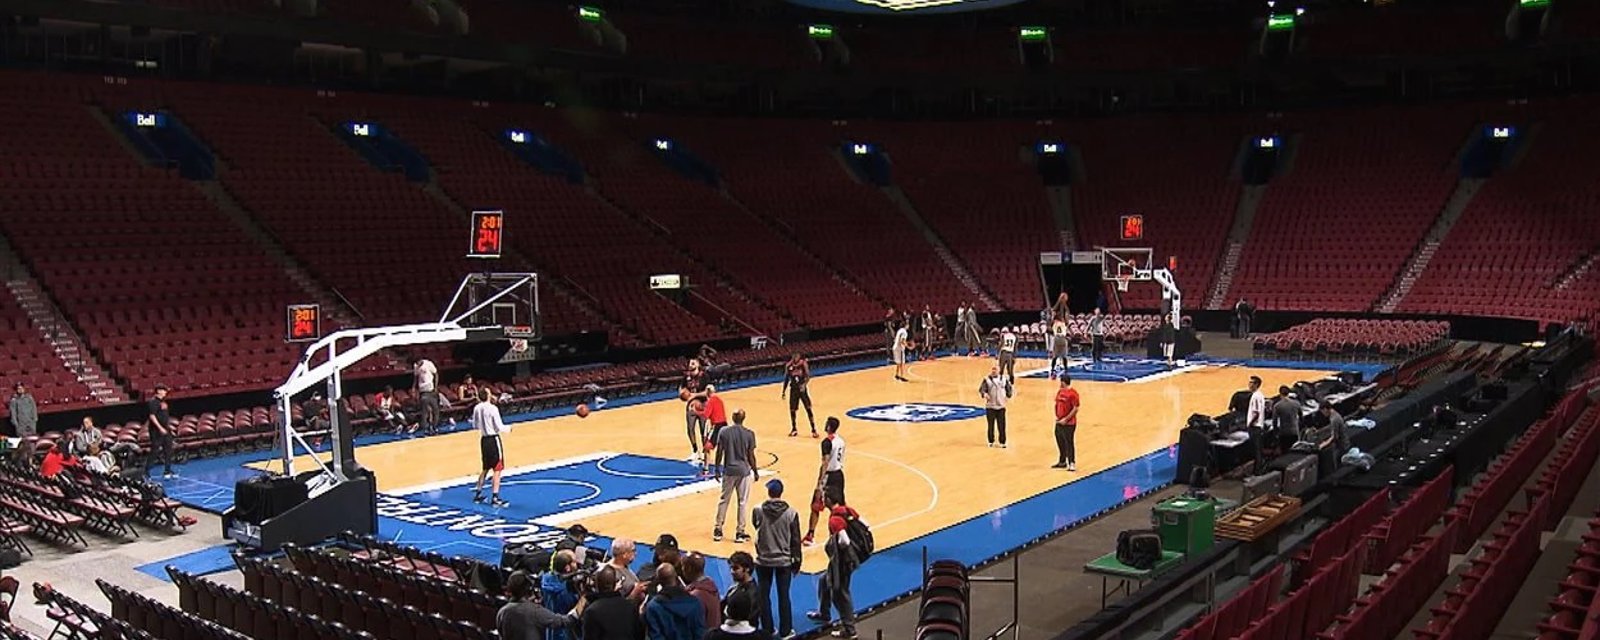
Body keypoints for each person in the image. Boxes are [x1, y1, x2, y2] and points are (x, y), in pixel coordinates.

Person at [751, 478, 801, 637]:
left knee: (763, 596)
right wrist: (797, 562)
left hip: (763, 559)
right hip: (784, 560)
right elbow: (795, 540)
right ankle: (786, 631)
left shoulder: (758, 509)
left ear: (769, 492)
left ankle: (767, 629)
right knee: (784, 595)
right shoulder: (791, 513)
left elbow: (755, 525)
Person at [806, 513, 859, 639]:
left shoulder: (835, 520)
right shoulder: (847, 510)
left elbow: (844, 541)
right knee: (823, 581)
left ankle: (850, 630)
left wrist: (840, 551)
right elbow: (864, 523)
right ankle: (824, 613)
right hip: (844, 560)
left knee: (840, 593)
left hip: (841, 562)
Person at [713, 409, 758, 543]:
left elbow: (719, 451)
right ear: (744, 418)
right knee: (742, 502)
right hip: (743, 471)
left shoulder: (724, 432)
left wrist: (716, 468)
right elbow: (751, 455)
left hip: (729, 470)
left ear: (733, 417)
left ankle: (718, 529)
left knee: (724, 500)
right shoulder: (749, 434)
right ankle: (740, 532)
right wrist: (755, 471)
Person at [498, 570, 581, 640]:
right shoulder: (534, 611)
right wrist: (583, 599)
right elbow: (565, 621)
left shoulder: (502, 612)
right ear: (528, 590)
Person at [804, 417, 846, 546]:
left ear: (828, 427)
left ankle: (810, 535)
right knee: (839, 506)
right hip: (839, 474)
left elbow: (825, 462)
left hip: (829, 476)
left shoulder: (827, 442)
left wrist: (819, 483)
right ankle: (841, 531)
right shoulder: (841, 441)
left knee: (816, 504)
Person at [579, 566, 645, 640]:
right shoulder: (630, 606)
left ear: (596, 585)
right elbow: (640, 634)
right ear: (614, 585)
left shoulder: (592, 611)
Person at [471, 388, 511, 508]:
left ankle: (478, 494)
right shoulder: (493, 408)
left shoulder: (477, 408)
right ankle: (495, 497)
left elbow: (475, 425)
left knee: (485, 468)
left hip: (483, 440)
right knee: (497, 469)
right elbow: (499, 426)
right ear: (488, 395)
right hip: (493, 439)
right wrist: (509, 428)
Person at [644, 563, 705, 640]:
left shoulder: (652, 607)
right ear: (676, 577)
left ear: (658, 580)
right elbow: (699, 633)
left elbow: (656, 636)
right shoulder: (695, 603)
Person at [541, 551, 582, 640]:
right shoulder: (565, 591)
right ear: (567, 567)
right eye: (574, 562)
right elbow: (575, 610)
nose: (577, 564)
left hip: (551, 629)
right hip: (566, 631)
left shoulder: (546, 578)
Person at [696, 385, 730, 478]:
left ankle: (706, 470)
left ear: (707, 392)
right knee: (723, 448)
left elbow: (706, 415)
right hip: (725, 424)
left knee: (707, 447)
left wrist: (697, 412)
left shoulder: (711, 401)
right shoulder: (719, 400)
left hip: (717, 426)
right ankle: (727, 467)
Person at [780, 354, 817, 438]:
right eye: (794, 357)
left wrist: (804, 384)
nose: (795, 359)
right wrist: (783, 391)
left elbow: (808, 376)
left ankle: (813, 429)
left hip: (802, 390)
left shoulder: (803, 364)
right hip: (793, 389)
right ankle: (794, 428)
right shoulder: (789, 365)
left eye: (796, 357)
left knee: (808, 408)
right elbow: (786, 378)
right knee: (792, 410)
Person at [682, 552, 722, 629]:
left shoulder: (695, 596)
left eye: (683, 566)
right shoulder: (711, 586)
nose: (682, 569)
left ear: (689, 568)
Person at [682, 358, 710, 463]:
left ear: (698, 364)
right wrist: (683, 394)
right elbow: (682, 389)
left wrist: (694, 395)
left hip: (703, 405)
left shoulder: (704, 376)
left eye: (693, 363)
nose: (690, 365)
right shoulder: (686, 377)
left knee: (703, 430)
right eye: (689, 363)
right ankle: (695, 451)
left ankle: (704, 452)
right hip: (691, 406)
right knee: (690, 429)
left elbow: (708, 392)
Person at [723, 552, 761, 631]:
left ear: (747, 569)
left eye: (735, 568)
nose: (731, 572)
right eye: (731, 568)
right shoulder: (734, 587)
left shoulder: (752, 594)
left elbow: (750, 619)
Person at [979, 365, 1014, 448]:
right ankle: (991, 441)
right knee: (990, 426)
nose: (994, 371)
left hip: (1001, 406)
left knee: (1002, 426)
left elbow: (1009, 389)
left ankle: (1002, 442)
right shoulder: (987, 380)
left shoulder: (1004, 379)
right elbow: (982, 389)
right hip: (990, 407)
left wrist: (1009, 395)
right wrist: (984, 394)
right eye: (992, 369)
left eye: (995, 369)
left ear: (999, 370)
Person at [147, 384, 175, 478]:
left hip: (166, 429)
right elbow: (152, 416)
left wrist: (167, 427)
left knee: (168, 450)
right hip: (156, 431)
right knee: (155, 451)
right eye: (164, 390)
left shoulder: (164, 402)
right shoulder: (153, 402)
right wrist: (160, 428)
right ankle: (146, 470)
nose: (165, 392)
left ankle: (167, 470)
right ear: (158, 391)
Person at [1053, 375, 1079, 471]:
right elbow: (1057, 404)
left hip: (1069, 423)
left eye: (1061, 381)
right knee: (1059, 440)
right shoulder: (1060, 392)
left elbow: (1076, 408)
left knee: (1069, 442)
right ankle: (1062, 460)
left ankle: (1072, 463)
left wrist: (1066, 419)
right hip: (1059, 421)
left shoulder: (1073, 393)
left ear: (1064, 382)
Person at [413, 358, 440, 434]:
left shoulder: (428, 363)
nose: (417, 365)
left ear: (420, 360)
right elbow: (416, 378)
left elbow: (436, 374)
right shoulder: (415, 366)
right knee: (425, 412)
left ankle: (434, 427)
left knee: (435, 410)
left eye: (418, 364)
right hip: (423, 392)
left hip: (431, 390)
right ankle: (426, 428)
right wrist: (414, 388)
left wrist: (436, 387)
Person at [1272, 387, 1303, 453]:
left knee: (1285, 452)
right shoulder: (1296, 403)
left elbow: (1274, 421)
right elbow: (1301, 417)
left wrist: (1275, 433)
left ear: (1280, 393)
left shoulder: (1277, 406)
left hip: (1284, 432)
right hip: (1294, 431)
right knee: (1295, 451)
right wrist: (1299, 427)